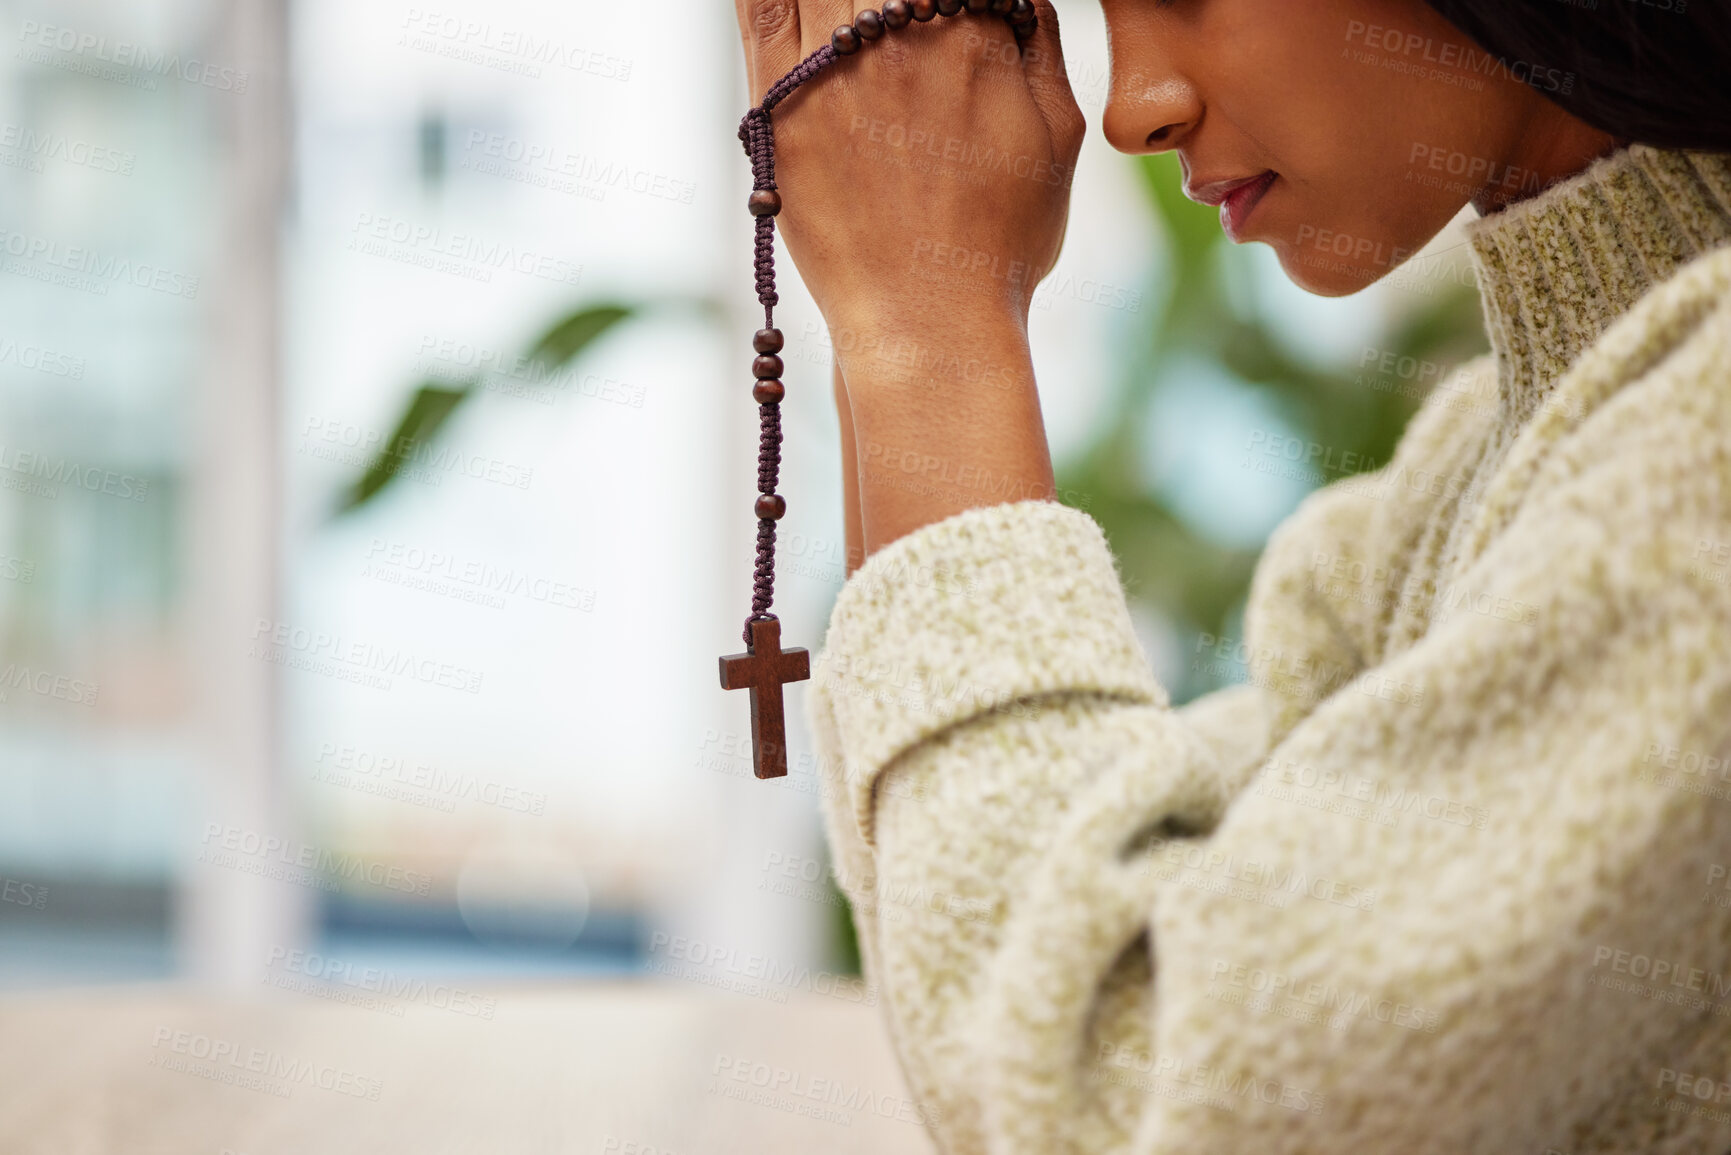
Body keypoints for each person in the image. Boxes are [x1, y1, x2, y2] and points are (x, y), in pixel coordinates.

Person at [731, 1, 1731, 1151]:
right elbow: (1013, 927)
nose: (1131, 110)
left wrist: (926, 332)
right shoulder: (1470, 472)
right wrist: (895, 278)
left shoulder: (1700, 450)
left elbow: (1113, 1092)